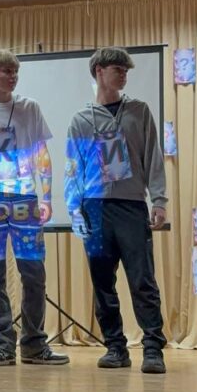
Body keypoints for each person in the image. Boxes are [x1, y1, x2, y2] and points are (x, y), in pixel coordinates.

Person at [0, 48, 69, 368]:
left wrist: (46, 197)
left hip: (24, 199)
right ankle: (1, 345)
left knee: (33, 273)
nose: (12, 77)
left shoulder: (29, 108)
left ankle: (34, 344)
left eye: (15, 72)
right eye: (6, 71)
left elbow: (41, 154)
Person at [64, 46, 167, 374]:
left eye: (126, 70)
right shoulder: (81, 120)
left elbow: (153, 157)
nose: (124, 75)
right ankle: (115, 347)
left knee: (142, 280)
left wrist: (159, 201)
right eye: (118, 69)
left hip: (131, 206)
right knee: (102, 282)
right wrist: (74, 210)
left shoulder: (139, 111)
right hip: (95, 209)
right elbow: (73, 170)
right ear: (99, 71)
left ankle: (153, 349)